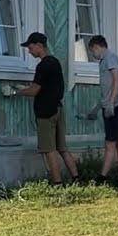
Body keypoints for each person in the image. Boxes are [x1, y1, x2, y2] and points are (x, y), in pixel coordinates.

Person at [13, 32, 81, 186]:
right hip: (58, 109)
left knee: (49, 150)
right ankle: (76, 179)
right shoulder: (55, 62)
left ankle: (57, 183)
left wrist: (15, 92)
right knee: (62, 148)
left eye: (30, 48)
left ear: (39, 46)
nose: (29, 51)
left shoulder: (42, 65)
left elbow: (34, 90)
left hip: (46, 113)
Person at [88, 35, 118, 186]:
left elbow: (117, 80)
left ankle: (102, 177)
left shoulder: (110, 57)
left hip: (117, 105)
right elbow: (106, 88)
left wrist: (111, 103)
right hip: (112, 105)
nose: (93, 54)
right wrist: (97, 108)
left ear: (97, 46)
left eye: (92, 50)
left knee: (110, 143)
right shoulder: (103, 61)